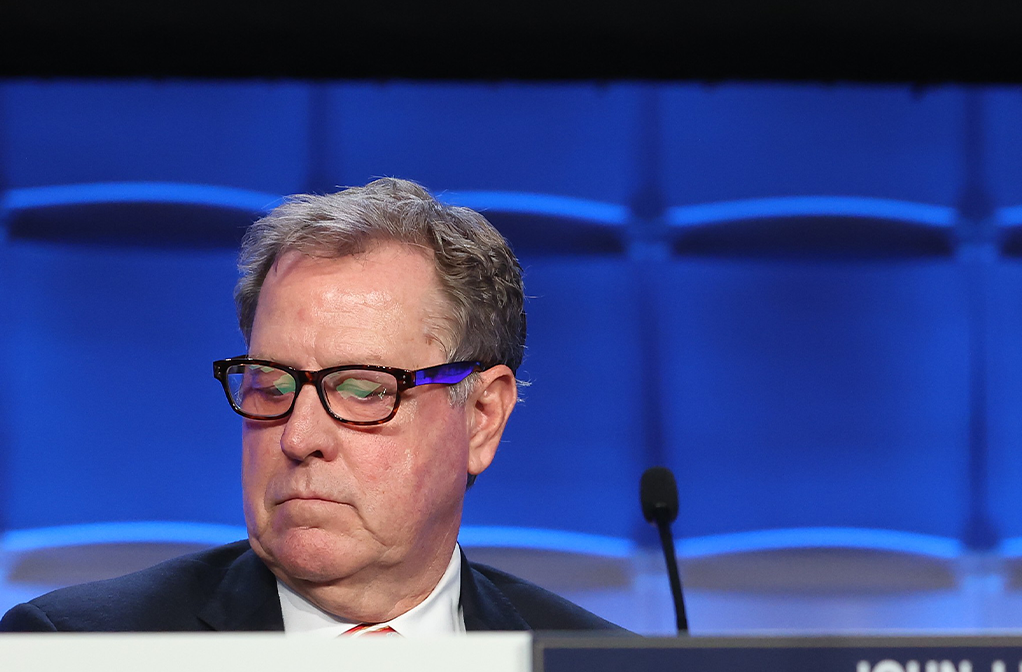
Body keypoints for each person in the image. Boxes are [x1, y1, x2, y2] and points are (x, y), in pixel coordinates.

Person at [0, 178, 618, 634]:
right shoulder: (77, 657)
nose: (299, 438)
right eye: (272, 385)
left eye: (362, 389)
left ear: (483, 417)